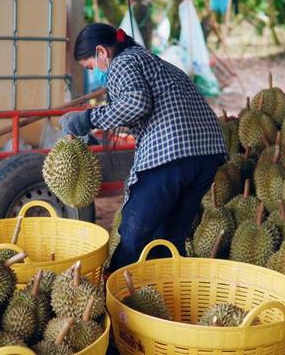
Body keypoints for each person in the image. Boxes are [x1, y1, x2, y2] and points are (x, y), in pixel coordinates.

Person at [60, 23, 227, 270]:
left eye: (90, 66)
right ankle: (166, 295)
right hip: (207, 153)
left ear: (101, 52)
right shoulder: (148, 59)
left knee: (134, 231)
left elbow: (137, 103)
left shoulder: (123, 63)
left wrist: (88, 118)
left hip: (172, 153)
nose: (94, 72)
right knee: (169, 235)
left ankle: (113, 292)